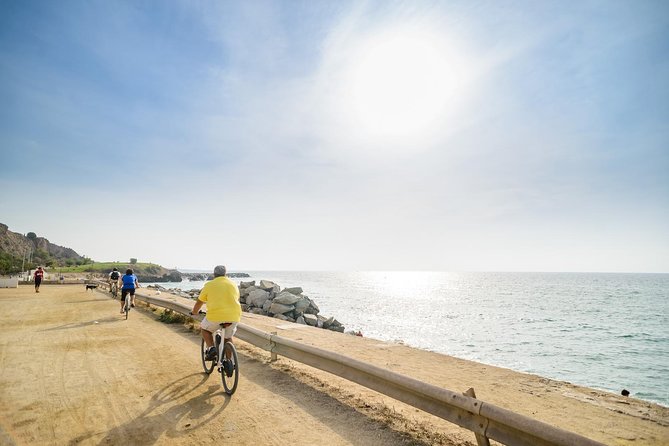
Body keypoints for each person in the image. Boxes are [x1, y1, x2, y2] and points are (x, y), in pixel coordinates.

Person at [190, 265, 241, 368]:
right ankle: (229, 361)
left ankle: (211, 348)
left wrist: (194, 312)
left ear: (214, 274)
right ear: (225, 274)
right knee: (228, 337)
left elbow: (200, 301)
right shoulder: (233, 284)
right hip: (234, 316)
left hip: (215, 317)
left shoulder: (209, 285)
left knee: (205, 329)